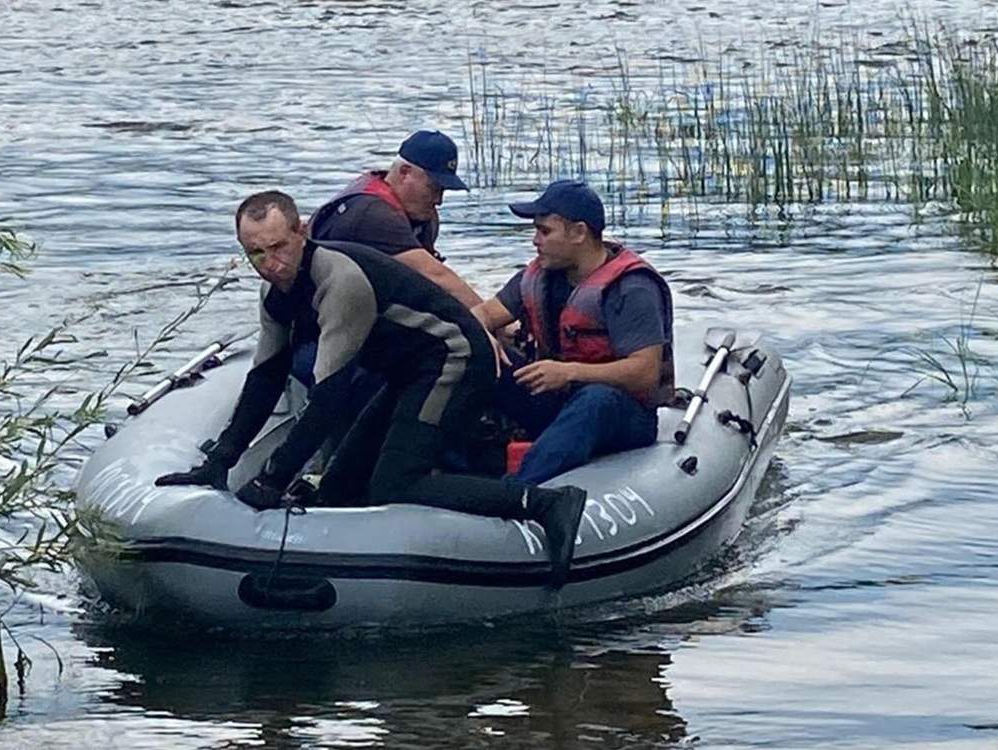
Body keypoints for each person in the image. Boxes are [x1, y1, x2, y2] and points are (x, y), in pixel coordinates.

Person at [156, 190, 588, 587]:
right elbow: (266, 378)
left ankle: (546, 504)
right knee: (339, 487)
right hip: (408, 371)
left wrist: (272, 480)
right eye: (256, 254)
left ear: (301, 233)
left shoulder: (339, 281)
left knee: (397, 482)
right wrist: (218, 463)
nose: (271, 264)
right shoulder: (275, 293)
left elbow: (328, 399)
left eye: (279, 247)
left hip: (455, 359)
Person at [470, 180, 675, 484]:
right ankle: (450, 467)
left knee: (595, 400)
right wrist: (481, 334)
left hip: (623, 414)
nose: (535, 241)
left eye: (545, 231)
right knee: (477, 357)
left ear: (579, 232)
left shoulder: (631, 288)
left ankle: (517, 490)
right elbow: (483, 314)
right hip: (558, 399)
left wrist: (568, 373)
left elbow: (644, 372)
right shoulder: (538, 275)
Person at [309, 129, 482, 308]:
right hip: (322, 308)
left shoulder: (422, 215)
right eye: (433, 188)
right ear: (404, 173)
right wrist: (491, 319)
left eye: (442, 191)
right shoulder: (374, 214)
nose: (438, 201)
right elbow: (436, 276)